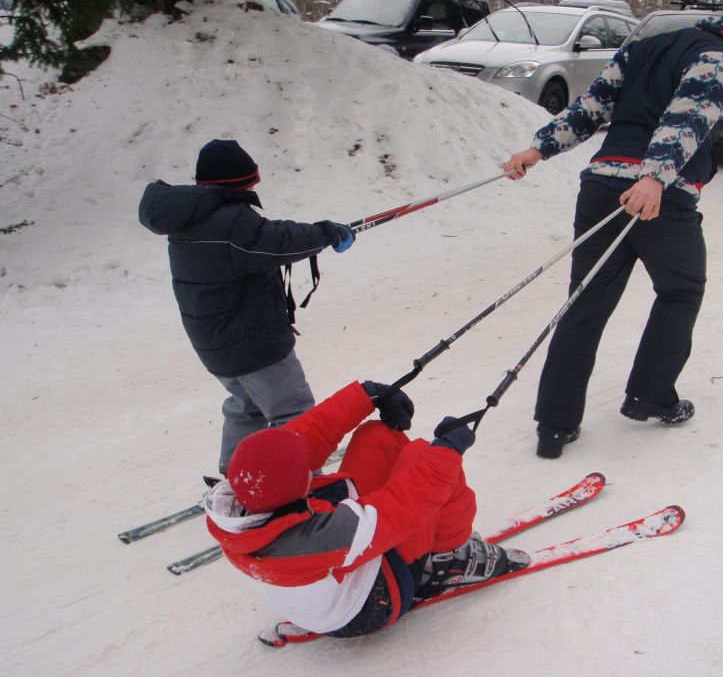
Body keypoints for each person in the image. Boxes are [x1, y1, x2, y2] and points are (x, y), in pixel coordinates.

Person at [503, 8, 723, 459]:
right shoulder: (720, 58)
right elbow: (685, 119)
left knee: (584, 302)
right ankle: (650, 394)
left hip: (602, 185)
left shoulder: (643, 48)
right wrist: (655, 176)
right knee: (682, 289)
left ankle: (555, 425)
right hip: (656, 196)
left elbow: (591, 107)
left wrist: (539, 148)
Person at [204, 380, 529, 637]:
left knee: (378, 436)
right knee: (428, 462)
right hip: (371, 604)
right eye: (305, 469)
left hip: (336, 575)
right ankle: (446, 560)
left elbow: (297, 440)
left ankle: (432, 539)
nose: (309, 464)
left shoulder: (244, 497)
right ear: (292, 490)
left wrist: (366, 396)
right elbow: (403, 507)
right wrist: (448, 450)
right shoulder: (315, 539)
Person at [139, 139, 356, 473]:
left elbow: (265, 234)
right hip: (251, 342)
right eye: (251, 180)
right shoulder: (231, 224)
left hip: (216, 343)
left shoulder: (191, 218)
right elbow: (279, 241)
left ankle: (234, 474)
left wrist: (323, 233)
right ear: (238, 182)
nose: (255, 185)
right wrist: (327, 234)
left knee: (247, 406)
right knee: (294, 411)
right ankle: (298, 484)